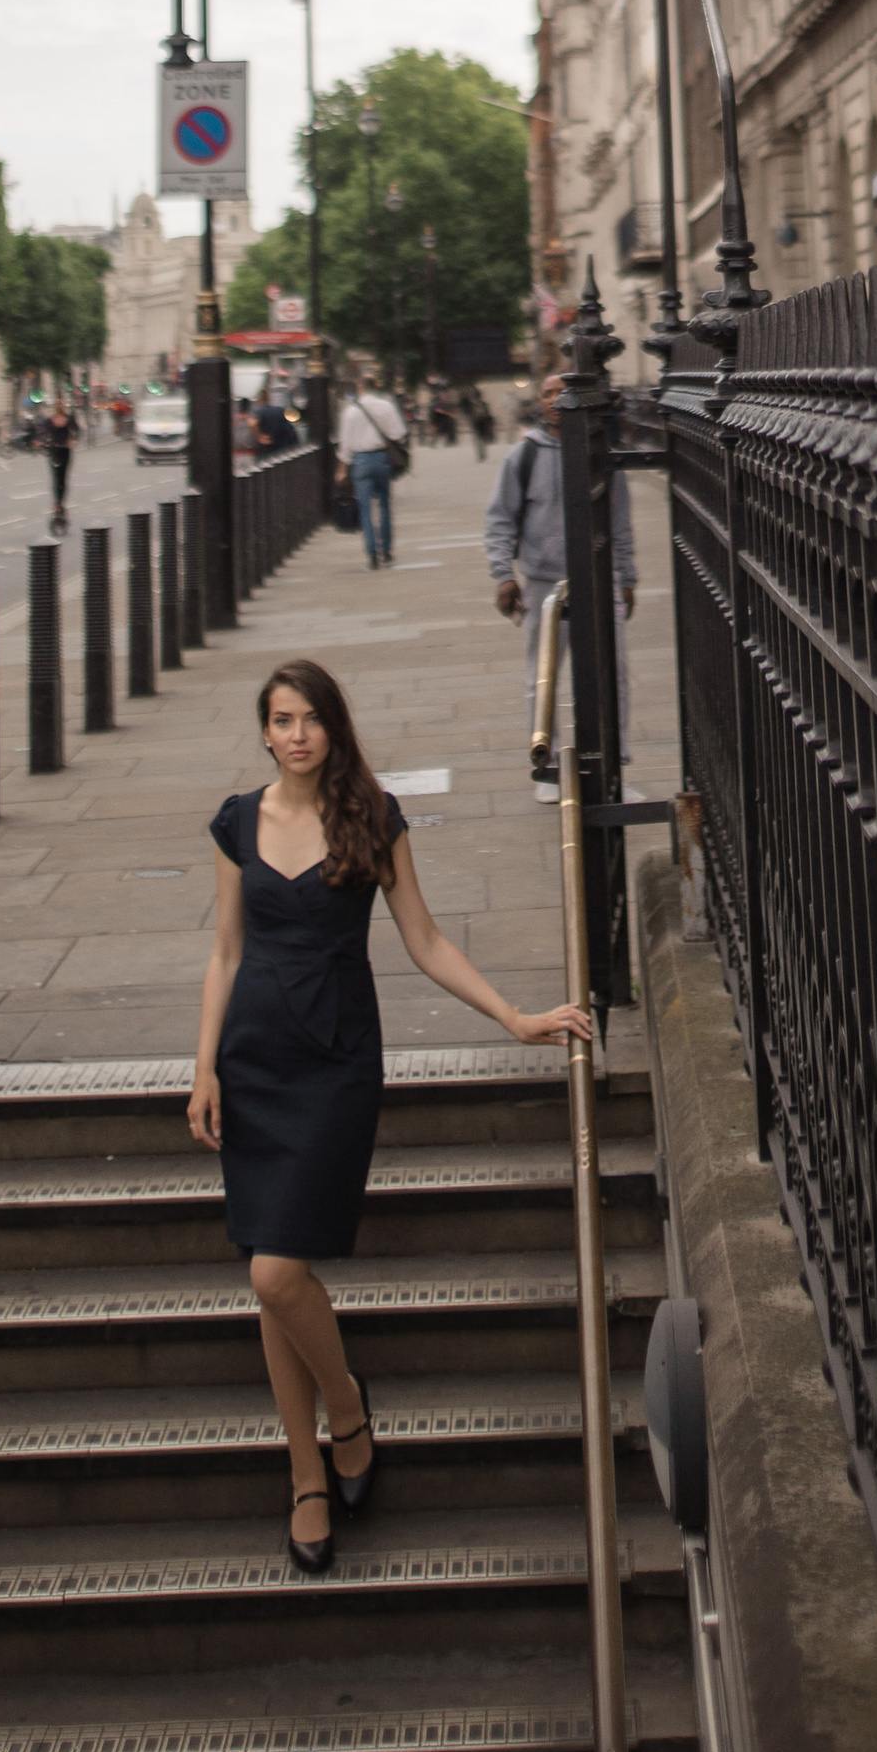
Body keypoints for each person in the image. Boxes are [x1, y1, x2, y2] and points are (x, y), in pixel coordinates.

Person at [190, 660, 588, 1572]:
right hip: (254, 1063)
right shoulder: (234, 821)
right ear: (264, 732)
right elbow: (223, 953)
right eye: (281, 720)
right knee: (267, 1271)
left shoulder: (372, 814)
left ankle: (348, 1409)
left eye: (310, 719)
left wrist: (515, 1018)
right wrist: (203, 1068)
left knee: (277, 1272)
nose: (296, 734)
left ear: (334, 727)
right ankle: (306, 1476)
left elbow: (425, 939)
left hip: (333, 1064)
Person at [484, 383, 635, 794]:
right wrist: (503, 575)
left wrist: (627, 574)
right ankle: (546, 767)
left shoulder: (599, 453)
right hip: (544, 583)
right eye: (548, 392)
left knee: (613, 674)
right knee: (544, 677)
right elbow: (500, 519)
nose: (555, 399)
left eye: (564, 390)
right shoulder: (525, 455)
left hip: (600, 578)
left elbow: (619, 520)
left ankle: (613, 768)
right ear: (541, 401)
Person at [334, 370, 406, 567]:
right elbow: (399, 433)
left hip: (361, 460)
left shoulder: (351, 410)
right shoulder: (387, 406)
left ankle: (372, 553)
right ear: (377, 387)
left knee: (365, 507)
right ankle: (387, 549)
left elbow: (345, 444)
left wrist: (342, 469)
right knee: (384, 505)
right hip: (382, 458)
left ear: (360, 387)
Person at [46, 405, 73, 531]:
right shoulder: (49, 421)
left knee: (63, 478)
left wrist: (72, 439)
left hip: (65, 451)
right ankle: (58, 503)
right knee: (56, 477)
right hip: (54, 452)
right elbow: (44, 434)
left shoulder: (69, 419)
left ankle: (60, 502)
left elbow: (76, 431)